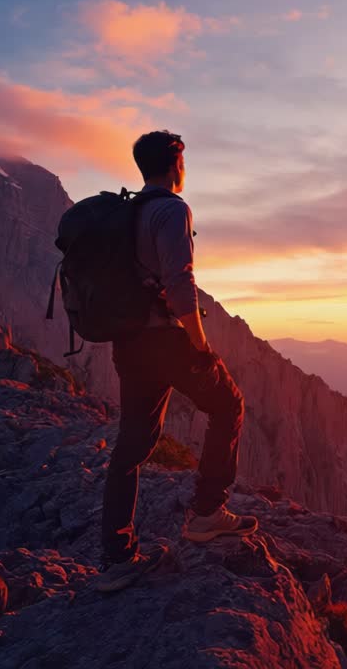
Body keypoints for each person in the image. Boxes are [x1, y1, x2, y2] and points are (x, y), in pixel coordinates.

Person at [94, 130, 257, 592]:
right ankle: (207, 514)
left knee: (131, 446)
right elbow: (180, 282)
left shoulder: (128, 212)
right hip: (167, 341)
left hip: (128, 343)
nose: (186, 169)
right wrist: (200, 344)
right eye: (183, 161)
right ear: (174, 165)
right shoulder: (171, 209)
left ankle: (115, 557)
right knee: (229, 406)